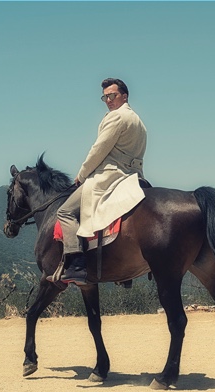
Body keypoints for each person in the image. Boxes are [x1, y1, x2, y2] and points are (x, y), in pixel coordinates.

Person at [56, 77, 147, 284]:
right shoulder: (139, 122)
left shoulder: (117, 117)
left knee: (65, 211)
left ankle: (77, 263)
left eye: (112, 95)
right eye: (105, 97)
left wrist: (82, 174)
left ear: (124, 96)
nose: (108, 100)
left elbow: (99, 150)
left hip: (110, 175)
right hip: (133, 177)